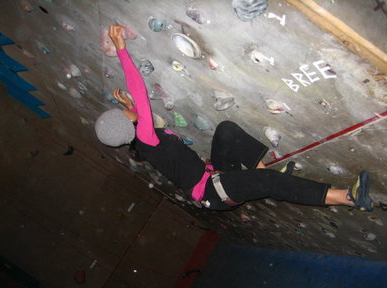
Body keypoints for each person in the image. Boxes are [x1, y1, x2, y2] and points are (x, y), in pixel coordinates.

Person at [95, 25, 374, 212]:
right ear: (127, 124)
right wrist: (121, 48)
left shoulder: (143, 137)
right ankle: (348, 197)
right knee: (270, 186)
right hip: (214, 192)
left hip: (214, 173)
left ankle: (262, 171)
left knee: (226, 130)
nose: (126, 109)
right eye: (122, 113)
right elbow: (140, 92)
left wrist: (129, 107)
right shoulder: (143, 137)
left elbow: (143, 113)